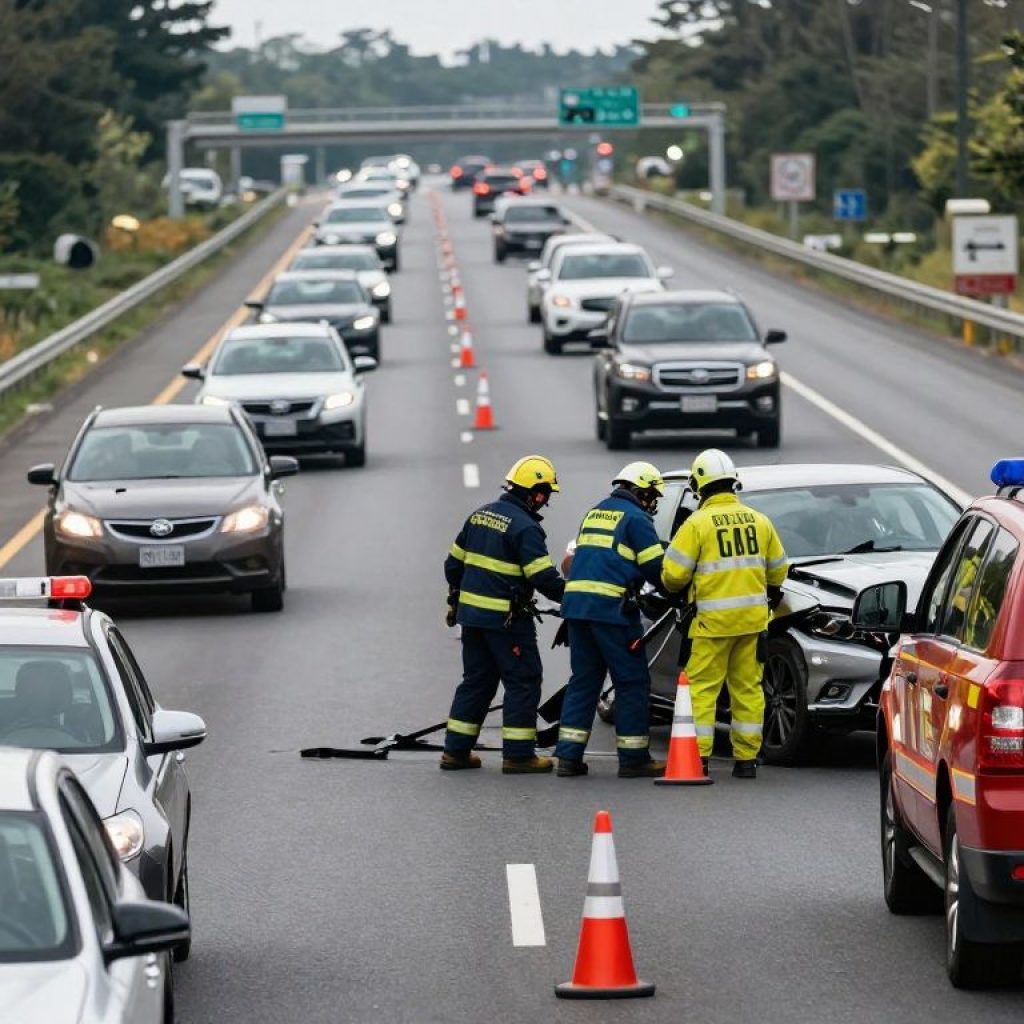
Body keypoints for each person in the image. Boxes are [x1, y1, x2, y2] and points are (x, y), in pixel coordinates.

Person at [661, 449, 788, 779]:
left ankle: (698, 759)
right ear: (733, 483)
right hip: (752, 623)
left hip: (711, 625)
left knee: (702, 690)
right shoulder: (759, 521)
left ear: (699, 487)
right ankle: (746, 761)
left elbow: (673, 575)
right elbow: (778, 570)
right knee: (748, 689)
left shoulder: (697, 524)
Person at [441, 455, 566, 774]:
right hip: (507, 623)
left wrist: (456, 598)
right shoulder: (526, 528)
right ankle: (519, 754)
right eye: (545, 494)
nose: (545, 502)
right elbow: (543, 578)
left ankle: (455, 752)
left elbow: (452, 565)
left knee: (477, 682)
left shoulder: (479, 516)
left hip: (472, 621)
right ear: (534, 492)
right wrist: (576, 596)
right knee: (523, 680)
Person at [554, 462, 668, 779]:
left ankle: (568, 757)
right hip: (613, 613)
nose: (653, 503)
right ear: (641, 491)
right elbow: (655, 570)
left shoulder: (594, 512)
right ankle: (633, 759)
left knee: (583, 682)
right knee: (631, 682)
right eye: (652, 496)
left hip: (578, 611)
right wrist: (679, 587)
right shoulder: (636, 519)